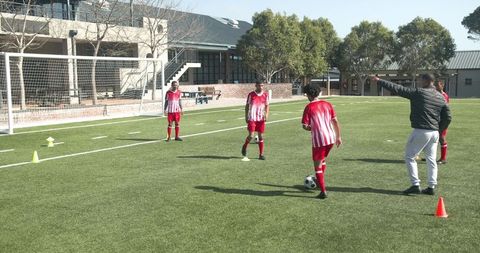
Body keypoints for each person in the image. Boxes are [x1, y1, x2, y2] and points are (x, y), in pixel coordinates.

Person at [372, 74, 451, 195]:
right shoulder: (441, 97)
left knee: (410, 156)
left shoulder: (419, 93)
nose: (419, 81)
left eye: (420, 79)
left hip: (421, 130)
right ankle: (431, 187)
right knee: (431, 160)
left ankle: (415, 185)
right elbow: (448, 117)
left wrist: (379, 81)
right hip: (434, 133)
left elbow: (398, 89)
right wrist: (440, 130)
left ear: (426, 81)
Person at [302, 84, 342, 199]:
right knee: (323, 160)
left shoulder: (309, 107)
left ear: (309, 95)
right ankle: (320, 182)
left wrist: (310, 128)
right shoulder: (327, 104)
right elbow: (335, 121)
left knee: (317, 166)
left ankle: (323, 191)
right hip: (330, 138)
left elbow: (305, 125)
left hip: (319, 140)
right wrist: (338, 137)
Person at [241, 80, 269, 160]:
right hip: (252, 118)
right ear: (256, 85)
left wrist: (266, 115)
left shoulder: (265, 95)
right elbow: (247, 106)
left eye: (262, 85)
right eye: (259, 85)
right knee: (251, 135)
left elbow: (267, 106)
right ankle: (245, 146)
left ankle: (261, 154)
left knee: (261, 136)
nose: (261, 87)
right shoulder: (251, 94)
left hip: (261, 119)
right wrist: (246, 116)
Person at [435, 80, 449, 164]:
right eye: (435, 85)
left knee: (442, 137)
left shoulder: (444, 96)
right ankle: (432, 157)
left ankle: (443, 159)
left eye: (437, 85)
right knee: (433, 138)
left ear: (442, 86)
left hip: (442, 120)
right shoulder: (435, 94)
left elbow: (444, 109)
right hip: (435, 119)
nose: (435, 87)